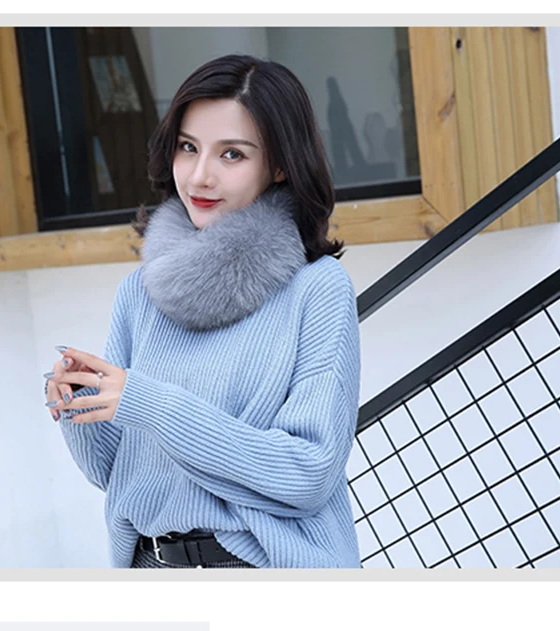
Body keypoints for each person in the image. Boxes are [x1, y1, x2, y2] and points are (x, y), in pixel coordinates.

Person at [43, 53, 362, 569]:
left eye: (231, 154)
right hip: (151, 565)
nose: (199, 176)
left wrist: (150, 404)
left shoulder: (316, 289)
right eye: (188, 147)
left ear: (280, 165)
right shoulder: (139, 294)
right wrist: (80, 405)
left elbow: (308, 474)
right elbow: (118, 473)